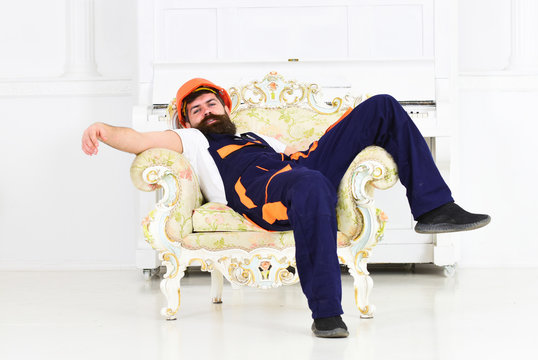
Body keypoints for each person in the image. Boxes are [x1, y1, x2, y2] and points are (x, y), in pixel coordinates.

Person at [82, 78, 490, 338]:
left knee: (381, 105)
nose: (207, 112)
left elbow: (298, 155)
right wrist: (103, 130)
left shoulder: (253, 135)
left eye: (211, 104)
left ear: (225, 108)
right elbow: (137, 139)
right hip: (259, 191)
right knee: (310, 184)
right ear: (188, 122)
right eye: (197, 110)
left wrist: (322, 148)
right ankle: (327, 313)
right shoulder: (193, 141)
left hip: (296, 168)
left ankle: (435, 208)